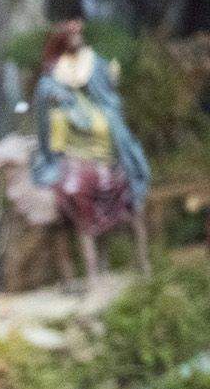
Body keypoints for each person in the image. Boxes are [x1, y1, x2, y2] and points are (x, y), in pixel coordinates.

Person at [31, 19, 151, 289]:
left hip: (105, 151)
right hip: (76, 156)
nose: (77, 40)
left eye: (79, 36)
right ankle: (91, 275)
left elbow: (108, 93)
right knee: (74, 192)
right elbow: (51, 135)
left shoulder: (93, 64)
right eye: (71, 37)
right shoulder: (53, 85)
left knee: (130, 182)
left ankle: (142, 264)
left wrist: (109, 80)